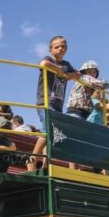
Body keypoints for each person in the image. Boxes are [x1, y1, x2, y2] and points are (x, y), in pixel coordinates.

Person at [28, 35, 80, 171]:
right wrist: (58, 70)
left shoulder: (67, 65)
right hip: (45, 101)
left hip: (58, 105)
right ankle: (31, 160)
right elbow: (43, 64)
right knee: (48, 130)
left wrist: (70, 76)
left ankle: (46, 164)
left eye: (63, 46)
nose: (61, 48)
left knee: (55, 134)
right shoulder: (49, 59)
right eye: (57, 47)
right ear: (51, 49)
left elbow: (78, 75)